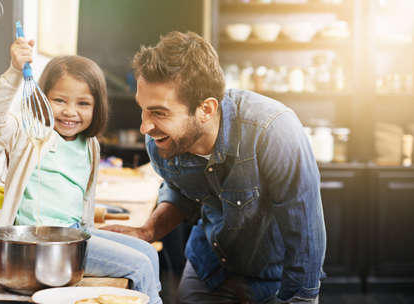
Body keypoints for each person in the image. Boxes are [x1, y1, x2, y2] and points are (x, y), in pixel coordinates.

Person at [101, 31, 326, 304]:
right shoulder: (160, 140)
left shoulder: (273, 130)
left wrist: (300, 297)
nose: (145, 127)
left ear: (206, 109)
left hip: (274, 276)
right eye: (143, 109)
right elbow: (180, 188)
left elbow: (304, 231)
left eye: (159, 112)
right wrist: (149, 230)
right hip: (209, 265)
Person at [0, 36, 162, 304]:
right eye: (59, 100)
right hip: (40, 244)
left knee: (149, 253)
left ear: (97, 106)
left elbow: (82, 204)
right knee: (139, 265)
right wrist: (15, 72)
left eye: (83, 104)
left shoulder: (90, 146)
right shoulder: (30, 136)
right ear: (43, 98)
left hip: (74, 236)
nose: (70, 112)